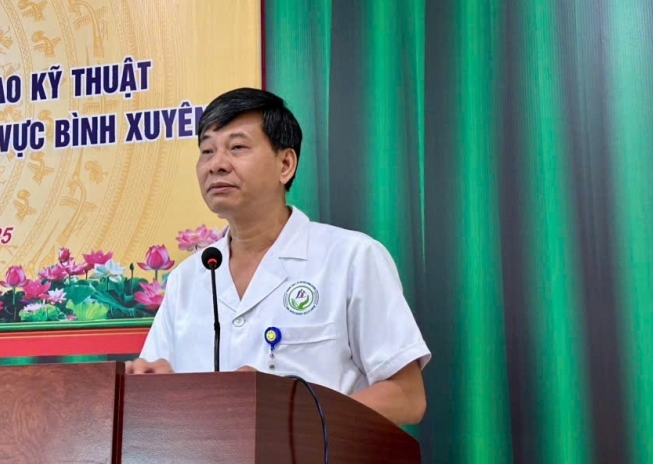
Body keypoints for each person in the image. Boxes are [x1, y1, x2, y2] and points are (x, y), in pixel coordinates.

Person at [126, 87, 430, 425]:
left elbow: (406, 397)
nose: (216, 165)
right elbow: (155, 382)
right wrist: (156, 388)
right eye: (207, 150)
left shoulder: (351, 258)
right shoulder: (188, 278)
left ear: (285, 164)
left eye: (237, 147)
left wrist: (292, 417)